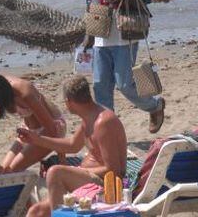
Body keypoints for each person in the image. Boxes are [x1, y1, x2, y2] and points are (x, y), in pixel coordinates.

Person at [83, 0, 165, 134]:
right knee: (100, 86)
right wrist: (89, 36)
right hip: (102, 35)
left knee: (125, 85)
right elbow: (92, 3)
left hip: (125, 34)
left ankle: (155, 106)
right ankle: (107, 131)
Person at [17, 75, 127, 217]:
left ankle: (61, 215)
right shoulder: (89, 117)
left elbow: (114, 170)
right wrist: (36, 139)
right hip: (86, 180)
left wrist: (80, 171)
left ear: (68, 102)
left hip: (106, 185)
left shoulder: (104, 123)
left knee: (55, 172)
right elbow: (72, 145)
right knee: (36, 212)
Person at [0, 74, 67, 173]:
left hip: (49, 131)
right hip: (28, 131)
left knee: (11, 172)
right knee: (2, 170)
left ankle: (50, 163)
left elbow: (53, 130)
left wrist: (62, 161)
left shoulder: (25, 93)